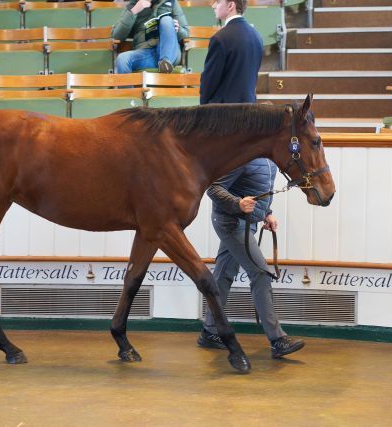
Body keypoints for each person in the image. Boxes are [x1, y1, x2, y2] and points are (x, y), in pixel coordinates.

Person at [197, 0, 305, 359]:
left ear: (229, 3)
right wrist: (251, 209)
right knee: (253, 272)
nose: (213, 5)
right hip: (233, 213)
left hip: (223, 129)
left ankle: (210, 331)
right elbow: (220, 189)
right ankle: (275, 339)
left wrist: (203, 130)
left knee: (226, 274)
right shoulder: (257, 38)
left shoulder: (221, 39)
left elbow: (208, 93)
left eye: (216, 0)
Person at [112, 0, 189, 74]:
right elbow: (117, 36)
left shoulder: (171, 2)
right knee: (122, 59)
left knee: (166, 20)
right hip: (146, 54)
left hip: (170, 52)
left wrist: (177, 28)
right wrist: (134, 10)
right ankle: (163, 65)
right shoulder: (133, 5)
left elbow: (185, 34)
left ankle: (165, 62)